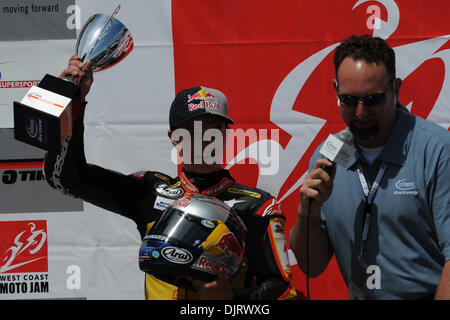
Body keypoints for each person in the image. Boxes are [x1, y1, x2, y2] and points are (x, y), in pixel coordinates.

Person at [43, 55, 296, 300]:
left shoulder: (257, 206)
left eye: (214, 128)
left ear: (226, 134)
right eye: (193, 129)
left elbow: (282, 289)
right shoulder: (151, 190)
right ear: (173, 137)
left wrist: (230, 299)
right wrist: (69, 101)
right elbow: (67, 179)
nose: (205, 137)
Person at [290, 35, 450, 300]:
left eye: (373, 100)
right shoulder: (331, 152)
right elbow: (312, 266)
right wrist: (309, 211)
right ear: (335, 90)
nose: (361, 113)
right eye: (350, 100)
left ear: (396, 88)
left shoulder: (437, 150)